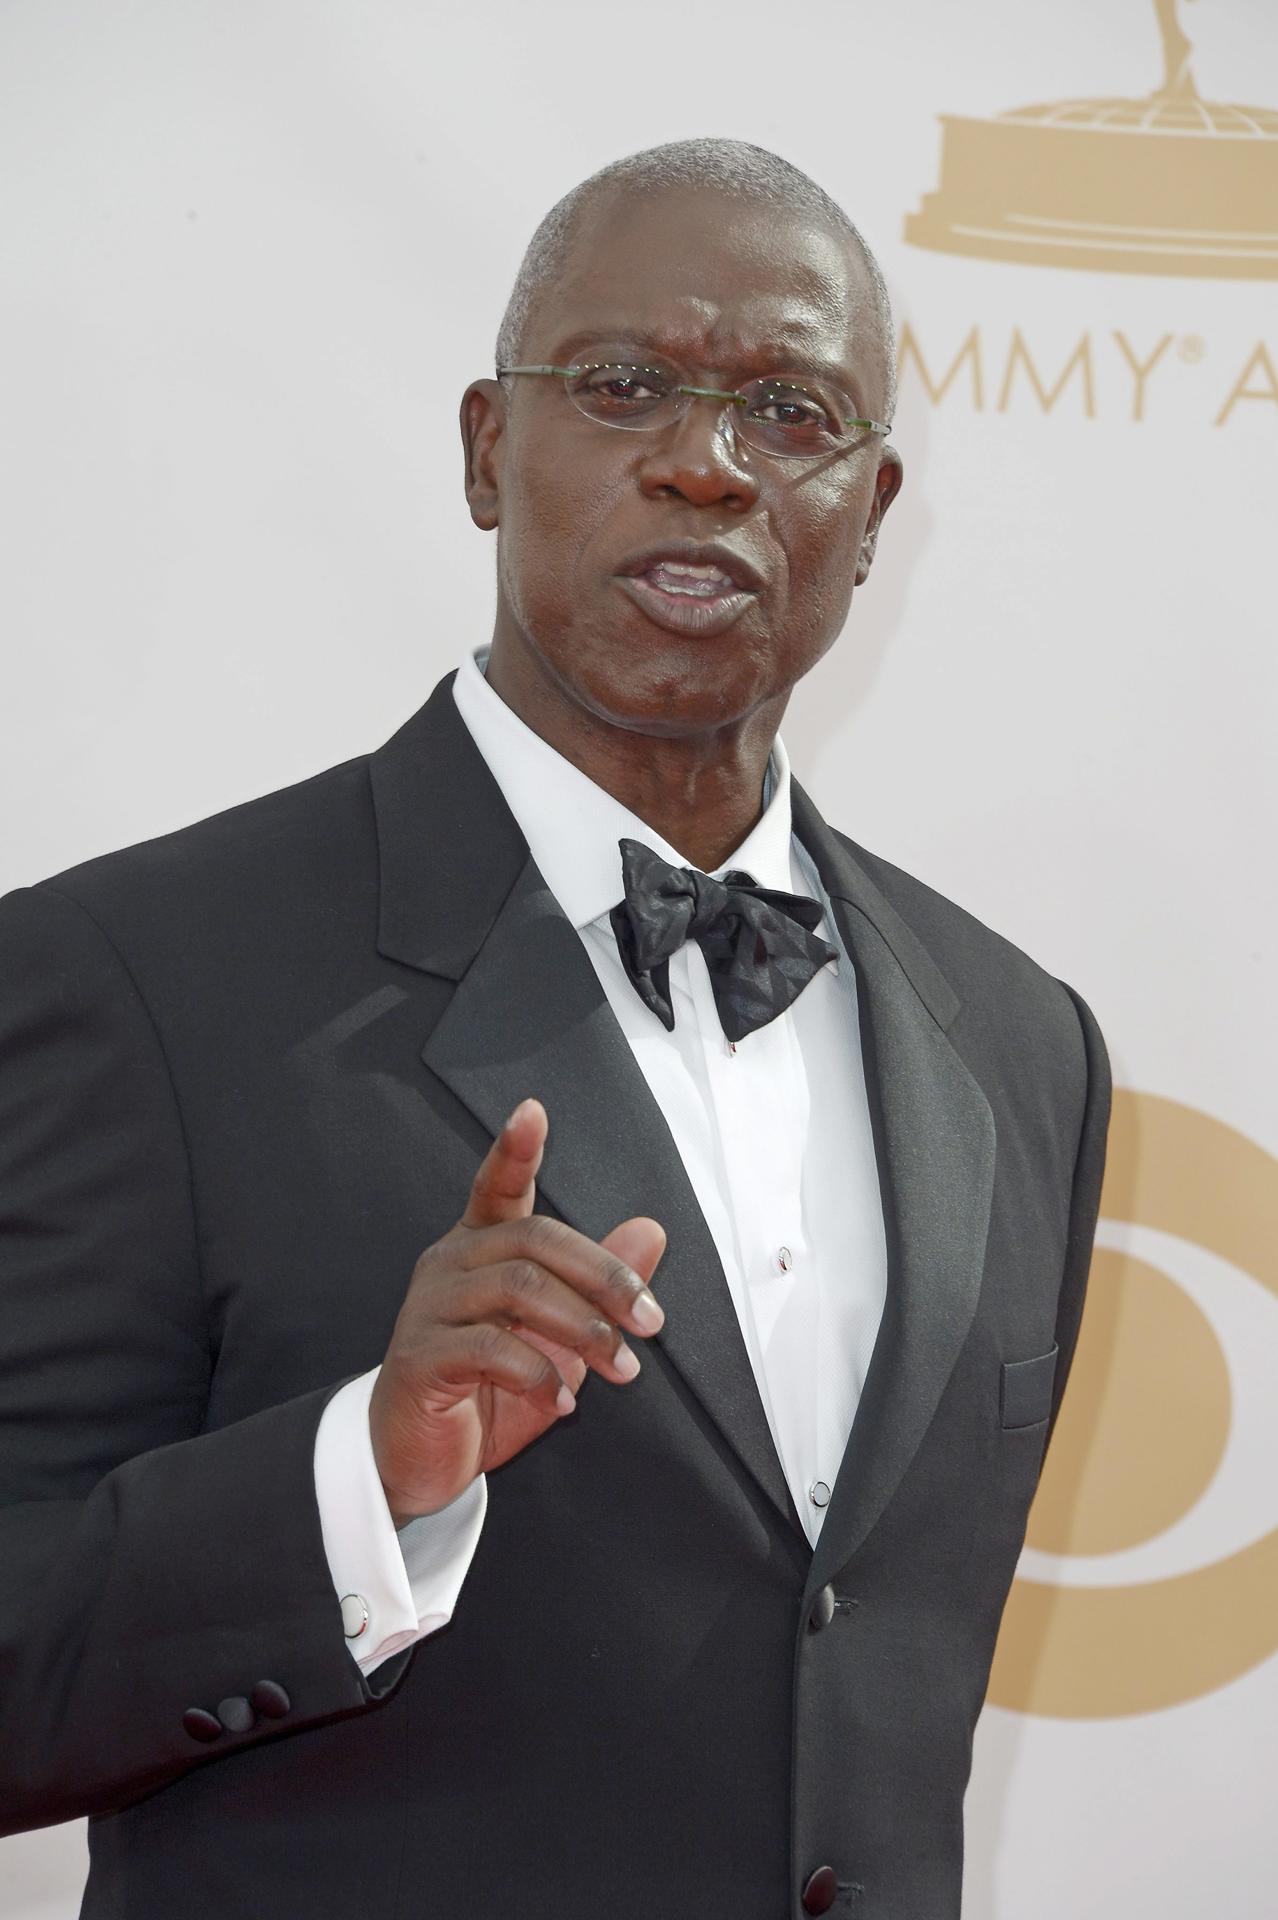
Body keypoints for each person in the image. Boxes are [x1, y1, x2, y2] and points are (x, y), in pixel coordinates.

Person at [0, 138, 1109, 1919]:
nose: (701, 459)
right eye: (621, 386)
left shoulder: (1020, 1042)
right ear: (484, 449)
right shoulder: (132, 978)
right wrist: (358, 1477)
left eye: (787, 408)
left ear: (873, 507)